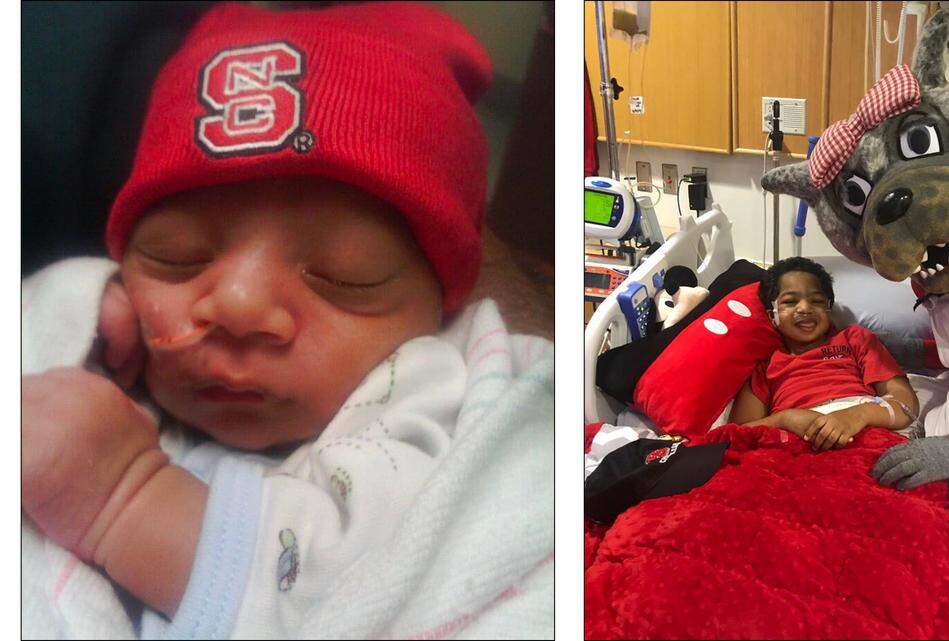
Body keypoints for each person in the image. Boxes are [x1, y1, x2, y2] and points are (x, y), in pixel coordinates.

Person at [20, 4, 552, 639]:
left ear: (440, 309)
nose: (238, 308)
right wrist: (75, 308)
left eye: (342, 277)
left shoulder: (435, 396)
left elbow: (398, 578)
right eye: (175, 259)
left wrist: (126, 501)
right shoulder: (112, 346)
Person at [729, 257, 919, 450]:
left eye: (817, 300)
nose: (804, 308)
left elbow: (906, 404)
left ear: (829, 308)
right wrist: (785, 419)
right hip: (796, 444)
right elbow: (736, 435)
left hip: (861, 430)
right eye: (790, 301)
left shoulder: (854, 339)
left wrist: (856, 415)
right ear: (773, 316)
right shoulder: (765, 368)